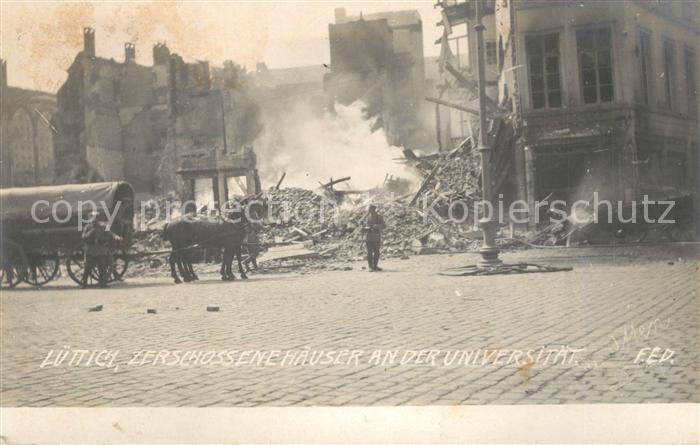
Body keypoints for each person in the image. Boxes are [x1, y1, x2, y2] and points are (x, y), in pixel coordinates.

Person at [81, 213, 122, 288]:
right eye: (92, 217)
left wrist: (116, 236)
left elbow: (110, 233)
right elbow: (83, 237)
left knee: (102, 267)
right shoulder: (87, 227)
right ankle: (84, 284)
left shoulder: (102, 227)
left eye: (96, 218)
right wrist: (91, 231)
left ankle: (103, 284)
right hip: (91, 250)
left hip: (100, 250)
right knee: (87, 268)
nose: (94, 219)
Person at [363, 204, 385, 272]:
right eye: (369, 209)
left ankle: (375, 266)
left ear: (374, 209)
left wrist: (377, 226)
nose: (370, 210)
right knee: (369, 253)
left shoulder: (379, 217)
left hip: (376, 237)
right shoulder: (367, 217)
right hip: (368, 237)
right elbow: (365, 225)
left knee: (377, 252)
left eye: (371, 209)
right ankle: (370, 267)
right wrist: (365, 228)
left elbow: (384, 225)